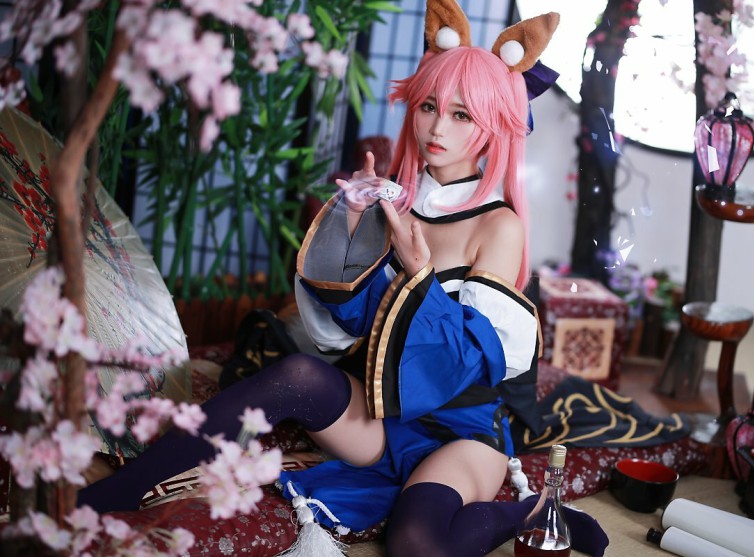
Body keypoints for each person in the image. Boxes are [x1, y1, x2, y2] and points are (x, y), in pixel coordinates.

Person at [79, 2, 607, 555]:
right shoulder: (395, 201)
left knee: (416, 544)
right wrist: (352, 229)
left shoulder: (499, 226)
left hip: (461, 429)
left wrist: (421, 275)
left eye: (462, 115)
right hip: (383, 415)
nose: (437, 127)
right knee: (297, 374)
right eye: (429, 106)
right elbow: (345, 331)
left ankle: (531, 511)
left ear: (493, 124)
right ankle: (111, 493)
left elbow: (467, 363)